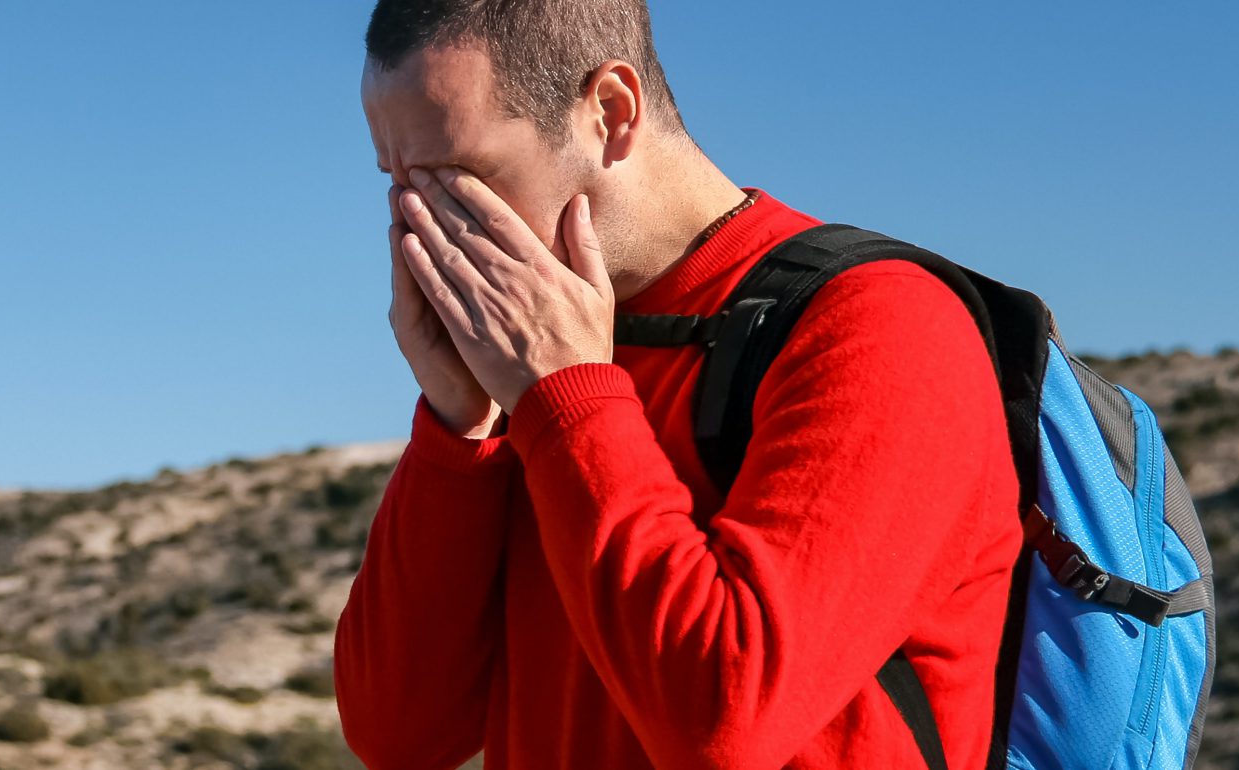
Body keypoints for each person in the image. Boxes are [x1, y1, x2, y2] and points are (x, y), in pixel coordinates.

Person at [332, 1, 1024, 768]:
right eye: (397, 182)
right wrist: (456, 430)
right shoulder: (528, 365)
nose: (419, 226)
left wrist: (566, 395)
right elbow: (396, 733)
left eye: (458, 180)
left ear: (611, 113)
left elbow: (721, 723)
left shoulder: (883, 325)